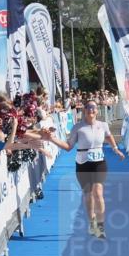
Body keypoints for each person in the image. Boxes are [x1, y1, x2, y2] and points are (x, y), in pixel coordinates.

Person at [44, 99, 124, 238]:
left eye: (93, 107)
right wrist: (51, 139)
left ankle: (100, 226)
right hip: (83, 163)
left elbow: (109, 136)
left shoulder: (103, 125)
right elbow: (68, 147)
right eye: (88, 107)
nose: (91, 110)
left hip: (99, 162)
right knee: (88, 194)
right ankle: (91, 222)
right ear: (84, 110)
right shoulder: (78, 127)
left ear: (97, 110)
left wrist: (115, 149)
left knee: (98, 192)